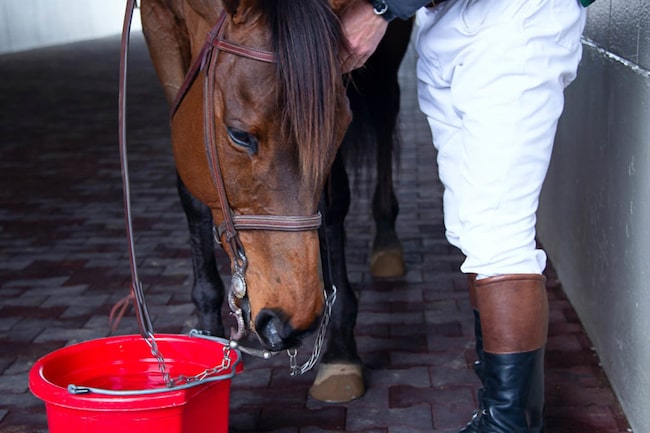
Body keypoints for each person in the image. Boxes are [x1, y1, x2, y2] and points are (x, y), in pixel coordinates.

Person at [339, 0, 589, 431]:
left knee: (497, 236)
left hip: (513, 16)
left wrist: (382, 7)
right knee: (470, 230)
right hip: (438, 18)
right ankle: (496, 414)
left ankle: (511, 427)